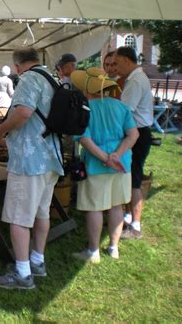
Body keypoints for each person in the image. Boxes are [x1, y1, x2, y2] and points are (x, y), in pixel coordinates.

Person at [0, 48, 63, 290]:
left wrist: (0, 130)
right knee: (42, 213)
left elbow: (23, 112)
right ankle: (37, 261)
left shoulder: (29, 79)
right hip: (51, 156)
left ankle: (23, 273)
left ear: (18, 65)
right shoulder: (52, 78)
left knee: (19, 217)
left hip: (30, 159)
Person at [70, 68, 138, 263]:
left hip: (96, 165)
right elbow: (133, 135)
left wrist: (105, 157)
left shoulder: (85, 109)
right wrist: (117, 155)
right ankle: (113, 248)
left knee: (95, 208)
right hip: (122, 164)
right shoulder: (121, 106)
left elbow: (84, 139)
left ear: (86, 89)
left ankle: (93, 251)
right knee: (116, 206)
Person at [114, 46, 154, 239]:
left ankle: (135, 226)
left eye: (117, 63)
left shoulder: (136, 81)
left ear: (126, 60)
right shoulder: (135, 78)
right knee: (131, 176)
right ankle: (129, 218)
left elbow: (125, 111)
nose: (115, 67)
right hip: (138, 132)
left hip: (138, 134)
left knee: (135, 180)